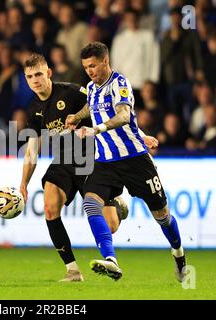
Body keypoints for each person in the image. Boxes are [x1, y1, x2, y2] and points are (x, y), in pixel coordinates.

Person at [20, 53, 158, 282]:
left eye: (38, 74)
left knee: (111, 226)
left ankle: (116, 205)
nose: (35, 80)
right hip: (63, 162)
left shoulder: (72, 92)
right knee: (50, 207)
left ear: (48, 74)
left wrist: (140, 135)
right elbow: (32, 150)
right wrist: (23, 183)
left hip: (91, 160)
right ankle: (73, 271)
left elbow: (111, 110)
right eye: (29, 77)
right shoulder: (33, 109)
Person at [66, 42, 186, 282]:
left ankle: (178, 254)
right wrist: (77, 117)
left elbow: (123, 115)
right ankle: (111, 260)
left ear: (105, 61)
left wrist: (96, 130)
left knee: (162, 215)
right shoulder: (91, 87)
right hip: (105, 161)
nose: (89, 71)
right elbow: (93, 106)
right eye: (86, 67)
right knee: (90, 203)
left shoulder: (120, 83)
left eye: (92, 66)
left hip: (135, 160)